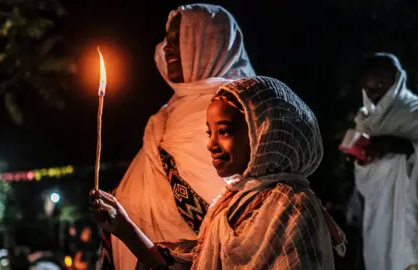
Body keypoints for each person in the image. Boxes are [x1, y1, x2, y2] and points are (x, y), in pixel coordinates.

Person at [91, 76, 346, 269]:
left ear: (264, 134)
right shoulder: (226, 206)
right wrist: (124, 228)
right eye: (208, 132)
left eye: (224, 131)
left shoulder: (291, 206)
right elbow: (186, 264)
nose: (211, 144)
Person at [108, 4, 255, 270]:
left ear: (209, 42)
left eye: (179, 39)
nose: (167, 48)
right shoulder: (167, 115)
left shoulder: (237, 112)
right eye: (168, 39)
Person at [351, 53, 418, 270]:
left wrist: (395, 146)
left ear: (395, 80)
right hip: (379, 215)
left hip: (409, 208)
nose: (375, 93)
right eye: (369, 89)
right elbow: (365, 181)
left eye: (380, 85)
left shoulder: (413, 112)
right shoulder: (365, 121)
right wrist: (361, 161)